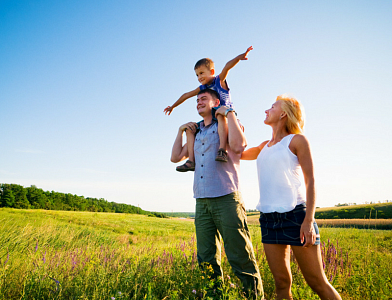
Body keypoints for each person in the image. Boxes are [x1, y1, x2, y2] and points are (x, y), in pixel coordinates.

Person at [241, 95, 342, 300]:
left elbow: (310, 181)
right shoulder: (263, 146)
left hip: (296, 217)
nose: (266, 110)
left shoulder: (297, 140)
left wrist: (309, 220)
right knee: (281, 283)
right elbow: (237, 153)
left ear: (283, 114)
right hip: (268, 219)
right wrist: (229, 120)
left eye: (272, 107)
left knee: (317, 282)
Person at [170, 89, 264, 298]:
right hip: (201, 201)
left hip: (226, 197)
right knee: (206, 258)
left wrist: (229, 112)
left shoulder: (227, 123)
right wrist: (180, 131)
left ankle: (255, 297)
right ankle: (215, 296)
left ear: (215, 102)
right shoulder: (197, 133)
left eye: (203, 98)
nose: (198, 102)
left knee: (240, 255)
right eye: (196, 100)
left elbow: (239, 146)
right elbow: (175, 157)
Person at [164, 46, 253, 172]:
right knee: (190, 129)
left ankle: (222, 150)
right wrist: (173, 106)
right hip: (211, 118)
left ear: (211, 72)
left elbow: (227, 66)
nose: (199, 77)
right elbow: (186, 95)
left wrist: (239, 57)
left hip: (224, 114)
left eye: (201, 73)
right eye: (197, 75)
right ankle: (191, 161)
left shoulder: (218, 80)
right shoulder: (202, 88)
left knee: (219, 114)